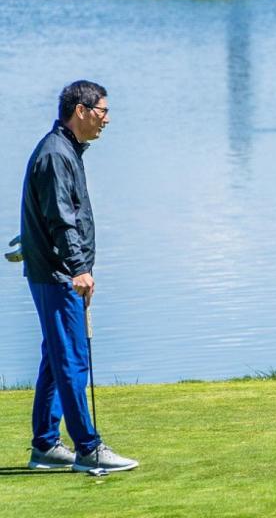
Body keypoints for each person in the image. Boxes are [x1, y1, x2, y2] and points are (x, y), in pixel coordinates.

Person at [21, 80, 138, 473]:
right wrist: (80, 269)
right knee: (72, 359)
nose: (107, 119)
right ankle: (88, 448)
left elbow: (51, 212)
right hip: (59, 274)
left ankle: (45, 445)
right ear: (81, 110)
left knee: (57, 359)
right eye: (102, 111)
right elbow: (60, 219)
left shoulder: (65, 150)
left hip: (54, 269)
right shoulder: (57, 154)